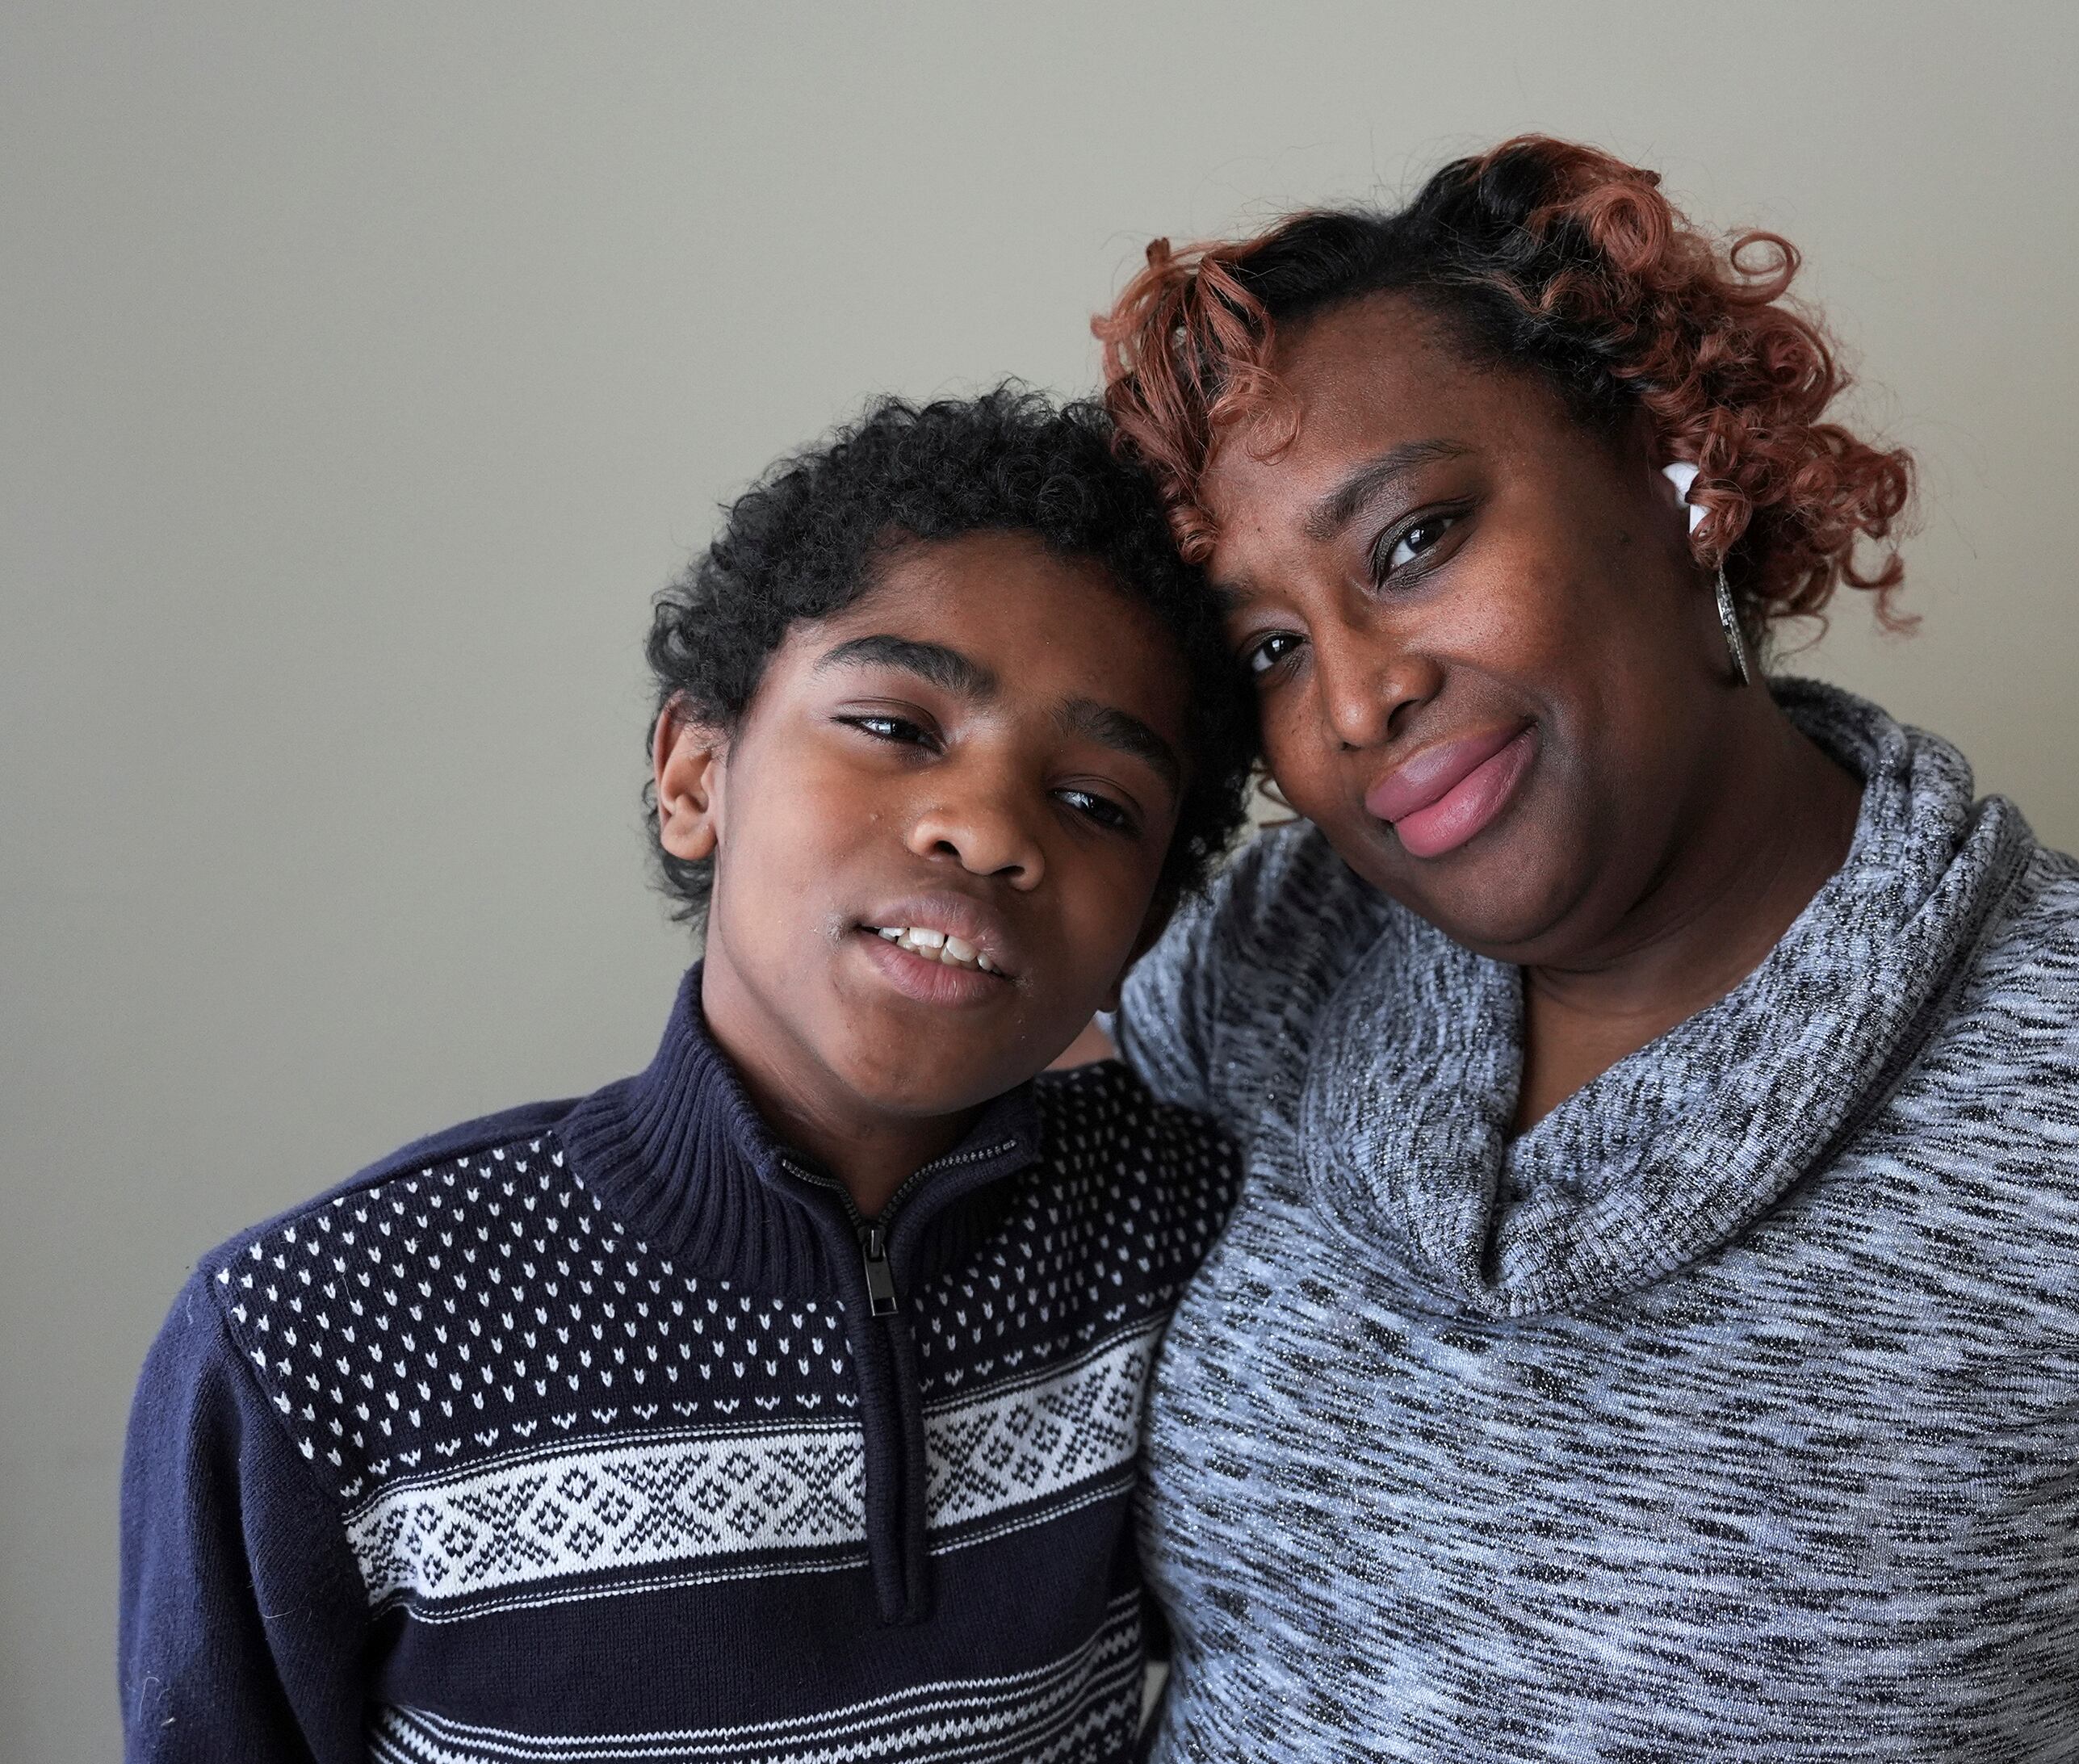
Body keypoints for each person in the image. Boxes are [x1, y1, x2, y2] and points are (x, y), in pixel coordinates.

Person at [1090, 138, 2079, 1760]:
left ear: (1677, 468)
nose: (1351, 700)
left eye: (1412, 543)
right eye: (1269, 646)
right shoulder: (1279, 952)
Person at [118, 390, 1257, 1764]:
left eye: (1096, 804)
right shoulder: (317, 1333)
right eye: (898, 725)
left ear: (1141, 921)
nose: (987, 828)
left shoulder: (1183, 1226)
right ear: (693, 775)